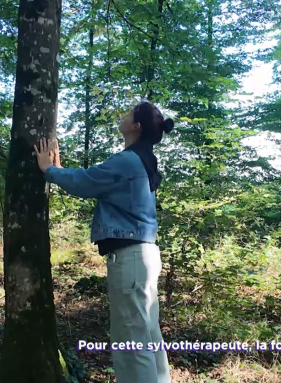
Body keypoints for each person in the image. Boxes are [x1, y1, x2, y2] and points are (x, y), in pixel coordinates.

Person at [34, 101, 173, 383]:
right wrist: (60, 171)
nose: (122, 117)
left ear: (137, 126)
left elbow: (86, 182)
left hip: (131, 257)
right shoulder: (142, 158)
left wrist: (50, 170)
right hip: (143, 256)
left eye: (129, 115)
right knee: (146, 333)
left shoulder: (128, 160)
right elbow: (92, 181)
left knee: (131, 339)